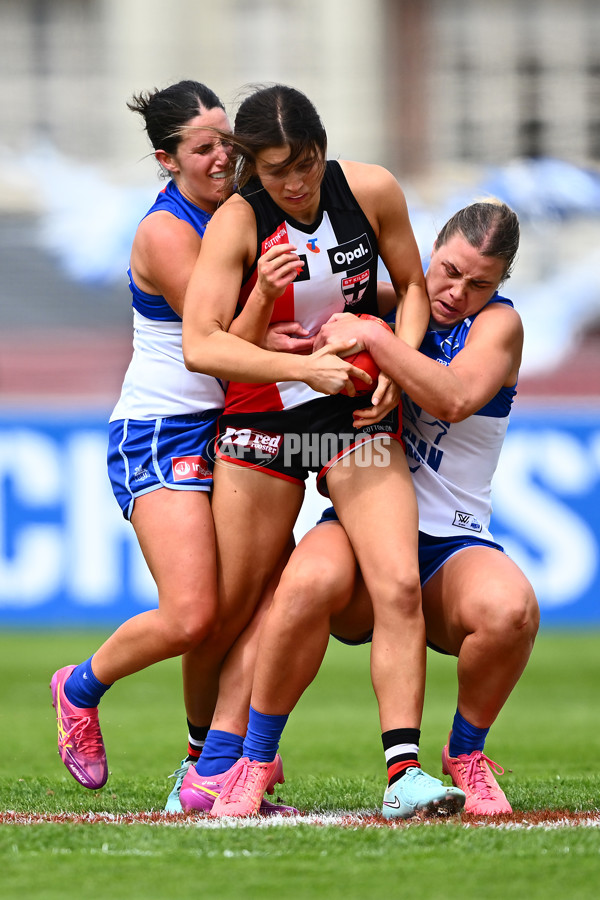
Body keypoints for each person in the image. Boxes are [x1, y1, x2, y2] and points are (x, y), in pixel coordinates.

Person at [179, 83, 466, 820]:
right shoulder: (239, 223)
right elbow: (200, 344)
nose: (297, 183)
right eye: (276, 170)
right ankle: (205, 766)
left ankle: (404, 772)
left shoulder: (369, 190)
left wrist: (397, 367)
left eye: (305, 162)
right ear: (251, 168)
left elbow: (411, 287)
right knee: (229, 610)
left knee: (398, 582)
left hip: (350, 418)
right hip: (265, 420)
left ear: (323, 148)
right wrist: (301, 368)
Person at [218, 199, 539, 817]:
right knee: (303, 583)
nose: (456, 292)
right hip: (358, 516)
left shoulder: (499, 326)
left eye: (480, 283)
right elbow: (269, 344)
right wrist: (272, 338)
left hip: (449, 541)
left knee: (512, 611)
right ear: (432, 251)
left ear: (500, 283)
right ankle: (253, 761)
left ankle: (465, 755)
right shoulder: (387, 300)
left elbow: (451, 398)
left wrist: (371, 337)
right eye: (447, 270)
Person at [48, 80, 307, 814]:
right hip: (162, 433)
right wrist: (279, 317)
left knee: (255, 603)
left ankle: (208, 769)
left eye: (228, 139)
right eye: (204, 146)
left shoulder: (239, 205)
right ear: (168, 160)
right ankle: (79, 687)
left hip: (229, 427)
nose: (224, 155)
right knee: (194, 613)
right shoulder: (165, 231)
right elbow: (217, 336)